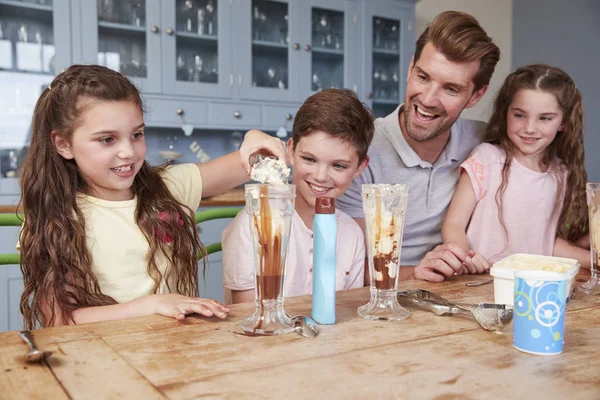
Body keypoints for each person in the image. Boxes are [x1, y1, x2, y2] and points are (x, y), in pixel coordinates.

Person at [18, 65, 287, 329]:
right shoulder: (55, 215)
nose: (129, 152)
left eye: (136, 135)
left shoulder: (167, 188)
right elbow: (59, 320)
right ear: (64, 144)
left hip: (168, 350)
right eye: (107, 140)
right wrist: (152, 305)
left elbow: (250, 160)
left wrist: (254, 138)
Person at [336, 10, 501, 282]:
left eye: (451, 89)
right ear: (411, 68)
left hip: (458, 294)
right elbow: (349, 269)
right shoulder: (360, 150)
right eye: (423, 77)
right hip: (382, 301)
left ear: (476, 95)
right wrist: (417, 272)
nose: (428, 99)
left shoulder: (484, 143)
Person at [222, 89, 374, 304]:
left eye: (338, 165)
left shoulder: (352, 235)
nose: (321, 177)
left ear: (360, 167)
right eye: (309, 159)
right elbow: (247, 316)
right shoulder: (255, 222)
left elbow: (345, 311)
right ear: (291, 150)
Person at [442, 64, 589, 270]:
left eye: (545, 118)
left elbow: (547, 244)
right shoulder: (486, 158)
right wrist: (465, 259)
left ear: (563, 122)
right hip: (479, 284)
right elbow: (454, 224)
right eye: (519, 115)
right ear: (506, 112)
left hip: (533, 289)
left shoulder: (561, 174)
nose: (529, 128)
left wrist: (594, 259)